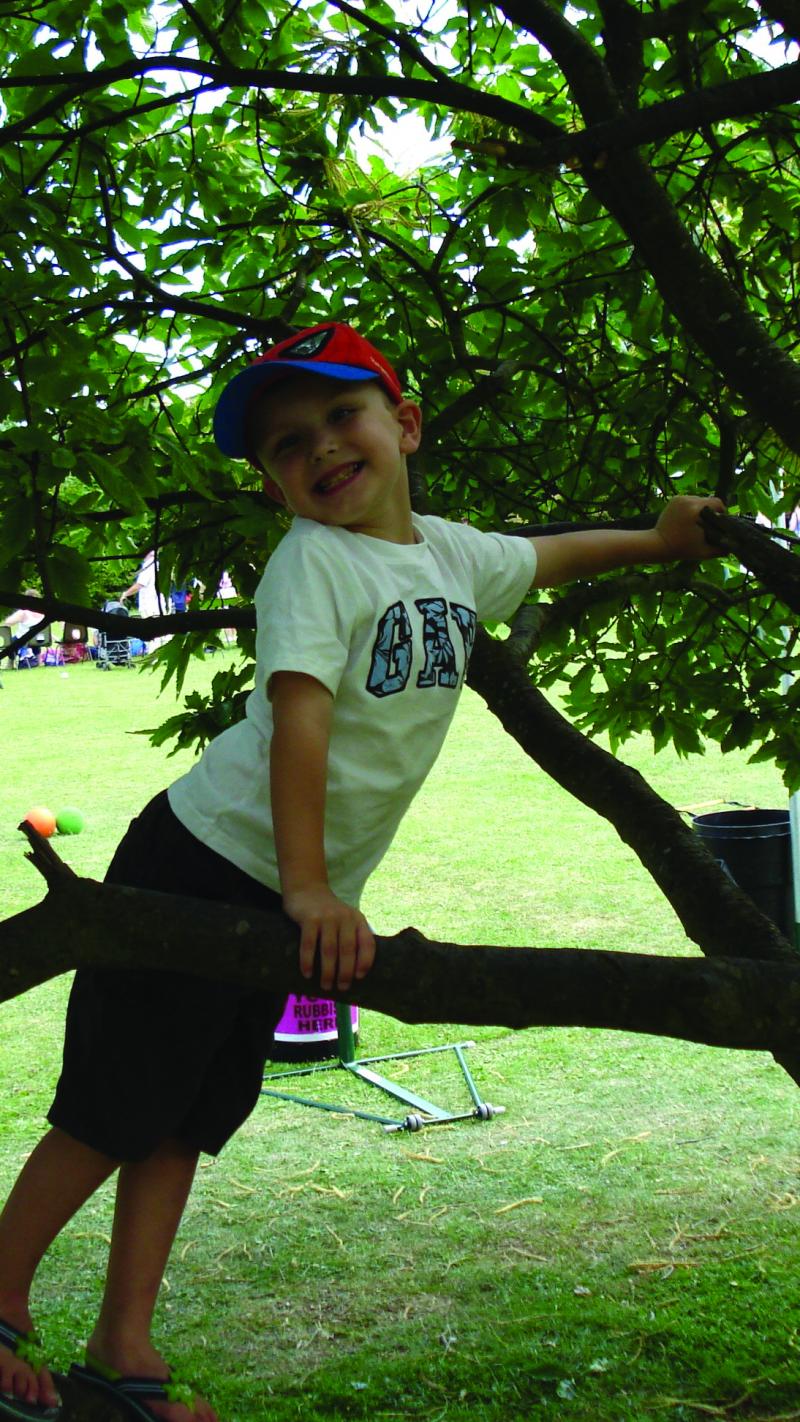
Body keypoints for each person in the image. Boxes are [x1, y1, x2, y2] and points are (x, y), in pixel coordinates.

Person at [0, 321, 725, 1422]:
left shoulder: (449, 555)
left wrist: (657, 540)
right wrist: (310, 891)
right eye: (287, 444)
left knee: (188, 1115)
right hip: (204, 861)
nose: (320, 449)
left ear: (404, 423)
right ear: (272, 483)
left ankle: (122, 1353)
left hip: (278, 881)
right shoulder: (313, 563)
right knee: (111, 1107)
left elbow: (547, 554)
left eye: (341, 415)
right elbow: (300, 721)